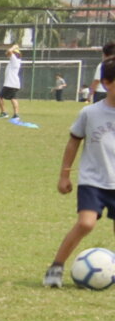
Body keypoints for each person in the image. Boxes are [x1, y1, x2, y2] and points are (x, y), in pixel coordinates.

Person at [46, 63, 115, 289]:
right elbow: (73, 142)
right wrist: (64, 174)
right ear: (106, 84)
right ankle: (56, 266)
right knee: (86, 224)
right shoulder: (90, 113)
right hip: (93, 181)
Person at [0, 44, 24, 120]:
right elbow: (7, 53)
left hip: (10, 83)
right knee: (13, 98)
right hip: (14, 83)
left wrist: (14, 47)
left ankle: (4, 113)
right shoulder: (16, 61)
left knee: (0, 97)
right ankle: (16, 114)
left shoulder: (14, 60)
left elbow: (9, 51)